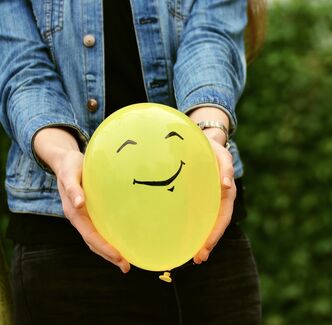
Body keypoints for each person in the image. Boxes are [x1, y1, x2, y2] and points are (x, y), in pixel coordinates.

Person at [0, 0, 266, 323]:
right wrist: (63, 157)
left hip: (204, 231)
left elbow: (212, 37)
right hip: (63, 241)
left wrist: (209, 134)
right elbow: (20, 66)